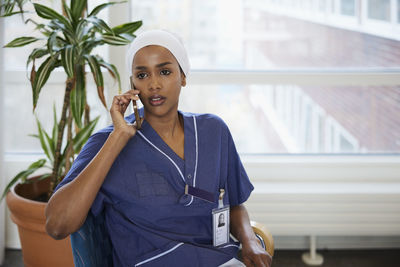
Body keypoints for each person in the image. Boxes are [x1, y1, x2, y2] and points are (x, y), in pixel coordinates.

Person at [45, 29, 272, 267]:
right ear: (132, 84)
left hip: (218, 258)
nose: (153, 84)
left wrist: (251, 242)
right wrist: (118, 138)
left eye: (164, 72)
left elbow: (233, 204)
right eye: (142, 75)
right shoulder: (106, 142)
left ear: (183, 76)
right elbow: (58, 225)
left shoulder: (213, 131)